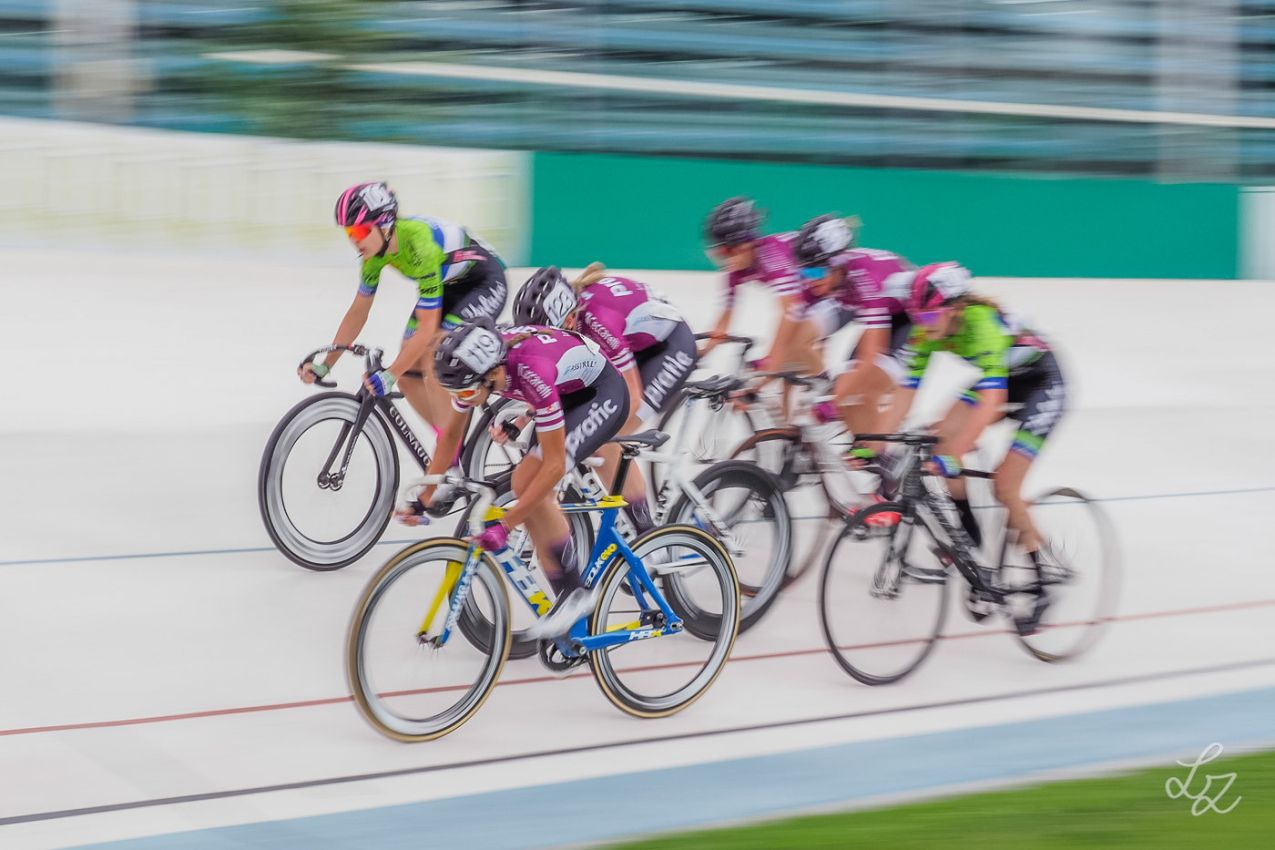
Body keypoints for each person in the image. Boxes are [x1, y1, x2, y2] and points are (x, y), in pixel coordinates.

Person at [409, 318, 631, 639]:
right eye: (455, 393)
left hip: (602, 393)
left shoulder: (530, 371)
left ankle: (576, 594)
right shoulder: (476, 369)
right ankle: (567, 592)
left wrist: (507, 524)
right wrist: (423, 499)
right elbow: (451, 438)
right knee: (523, 485)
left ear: (492, 374)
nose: (464, 399)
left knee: (531, 482)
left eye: (468, 391)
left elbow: (554, 466)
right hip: (566, 389)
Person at [876, 279, 1065, 634]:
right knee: (937, 437)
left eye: (929, 317)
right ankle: (970, 541)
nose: (923, 326)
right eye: (917, 318)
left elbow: (992, 402)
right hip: (1005, 378)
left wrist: (956, 456)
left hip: (1042, 384)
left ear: (954, 309)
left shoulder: (981, 324)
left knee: (1005, 486)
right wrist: (874, 447)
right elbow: (905, 392)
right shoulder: (928, 331)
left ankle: (1043, 575)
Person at [300, 182, 508, 446]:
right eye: (349, 232)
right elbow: (358, 311)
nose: (354, 240)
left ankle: (449, 451)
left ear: (385, 225)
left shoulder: (420, 245)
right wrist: (326, 365)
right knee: (407, 376)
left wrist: (389, 375)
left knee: (435, 354)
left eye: (361, 230)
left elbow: (428, 329)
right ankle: (451, 448)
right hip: (450, 285)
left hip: (485, 283)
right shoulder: (373, 256)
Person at [511, 263, 697, 535]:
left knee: (606, 440)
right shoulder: (567, 324)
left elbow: (632, 397)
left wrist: (590, 437)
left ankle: (646, 534)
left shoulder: (597, 322)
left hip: (669, 348)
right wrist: (523, 418)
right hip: (630, 343)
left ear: (569, 320)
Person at [791, 213, 971, 449]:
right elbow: (794, 331)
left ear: (838, 264)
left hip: (910, 320)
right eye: (804, 273)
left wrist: (831, 401)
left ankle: (886, 455)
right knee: (847, 396)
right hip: (885, 314)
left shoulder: (868, 279)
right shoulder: (830, 276)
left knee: (862, 393)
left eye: (816, 273)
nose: (809, 280)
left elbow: (872, 353)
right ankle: (871, 452)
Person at [700, 197, 822, 377]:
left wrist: (772, 359)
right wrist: (703, 352)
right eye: (719, 253)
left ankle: (827, 385)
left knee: (793, 348)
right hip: (808, 293)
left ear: (748, 244)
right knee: (783, 369)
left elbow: (791, 311)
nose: (725, 260)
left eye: (728, 251)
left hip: (827, 294)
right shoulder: (735, 269)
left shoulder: (772, 256)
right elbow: (723, 323)